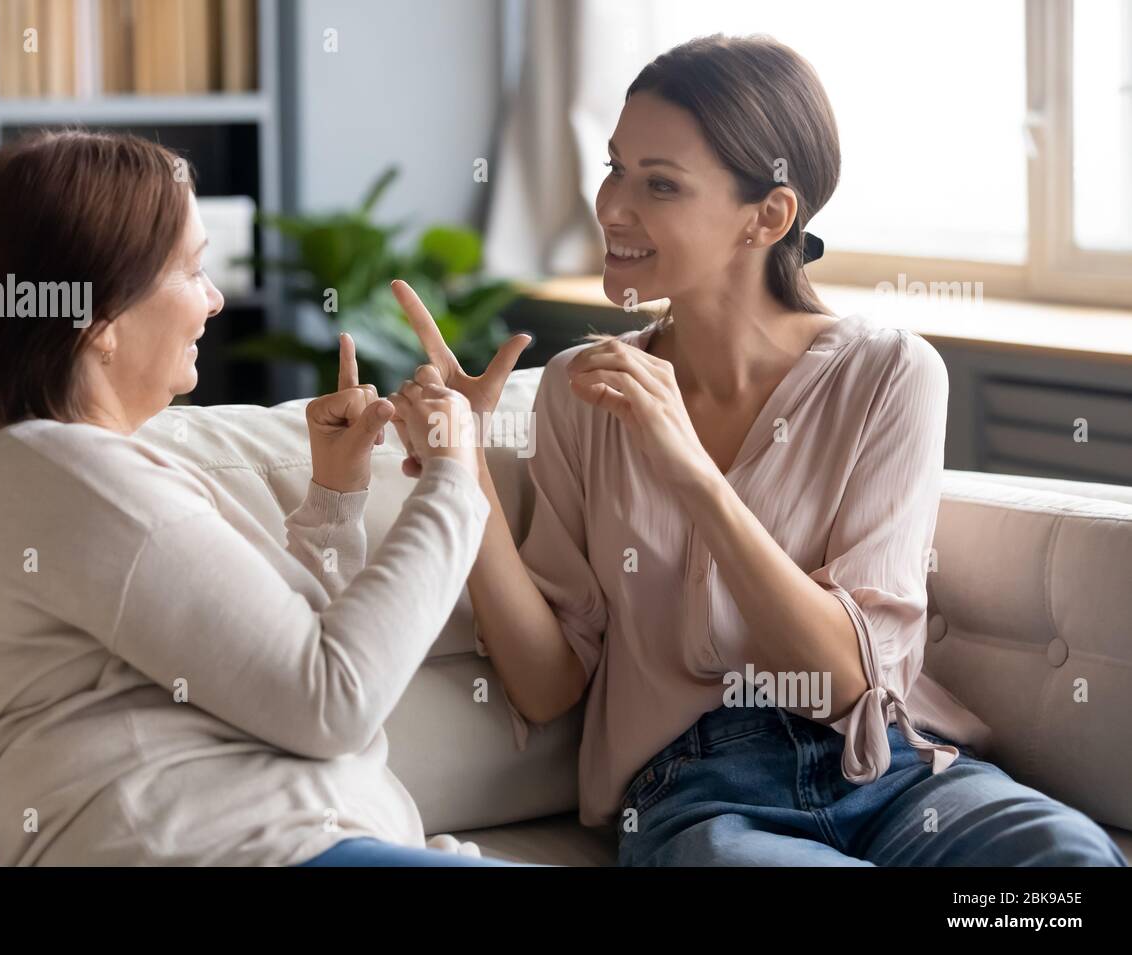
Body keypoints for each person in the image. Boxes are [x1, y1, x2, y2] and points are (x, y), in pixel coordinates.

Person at [388, 34, 1127, 867]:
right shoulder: (579, 390)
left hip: (892, 770)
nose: (612, 207)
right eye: (614, 167)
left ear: (768, 215)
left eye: (659, 183)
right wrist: (466, 470)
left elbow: (847, 680)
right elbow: (549, 686)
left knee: (1067, 863)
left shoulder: (888, 374)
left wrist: (692, 473)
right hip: (700, 797)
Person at [0, 129, 524, 866]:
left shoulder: (51, 471)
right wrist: (454, 477)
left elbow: (275, 669)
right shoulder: (56, 473)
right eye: (193, 269)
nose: (213, 300)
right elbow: (333, 699)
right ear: (98, 318)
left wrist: (335, 499)